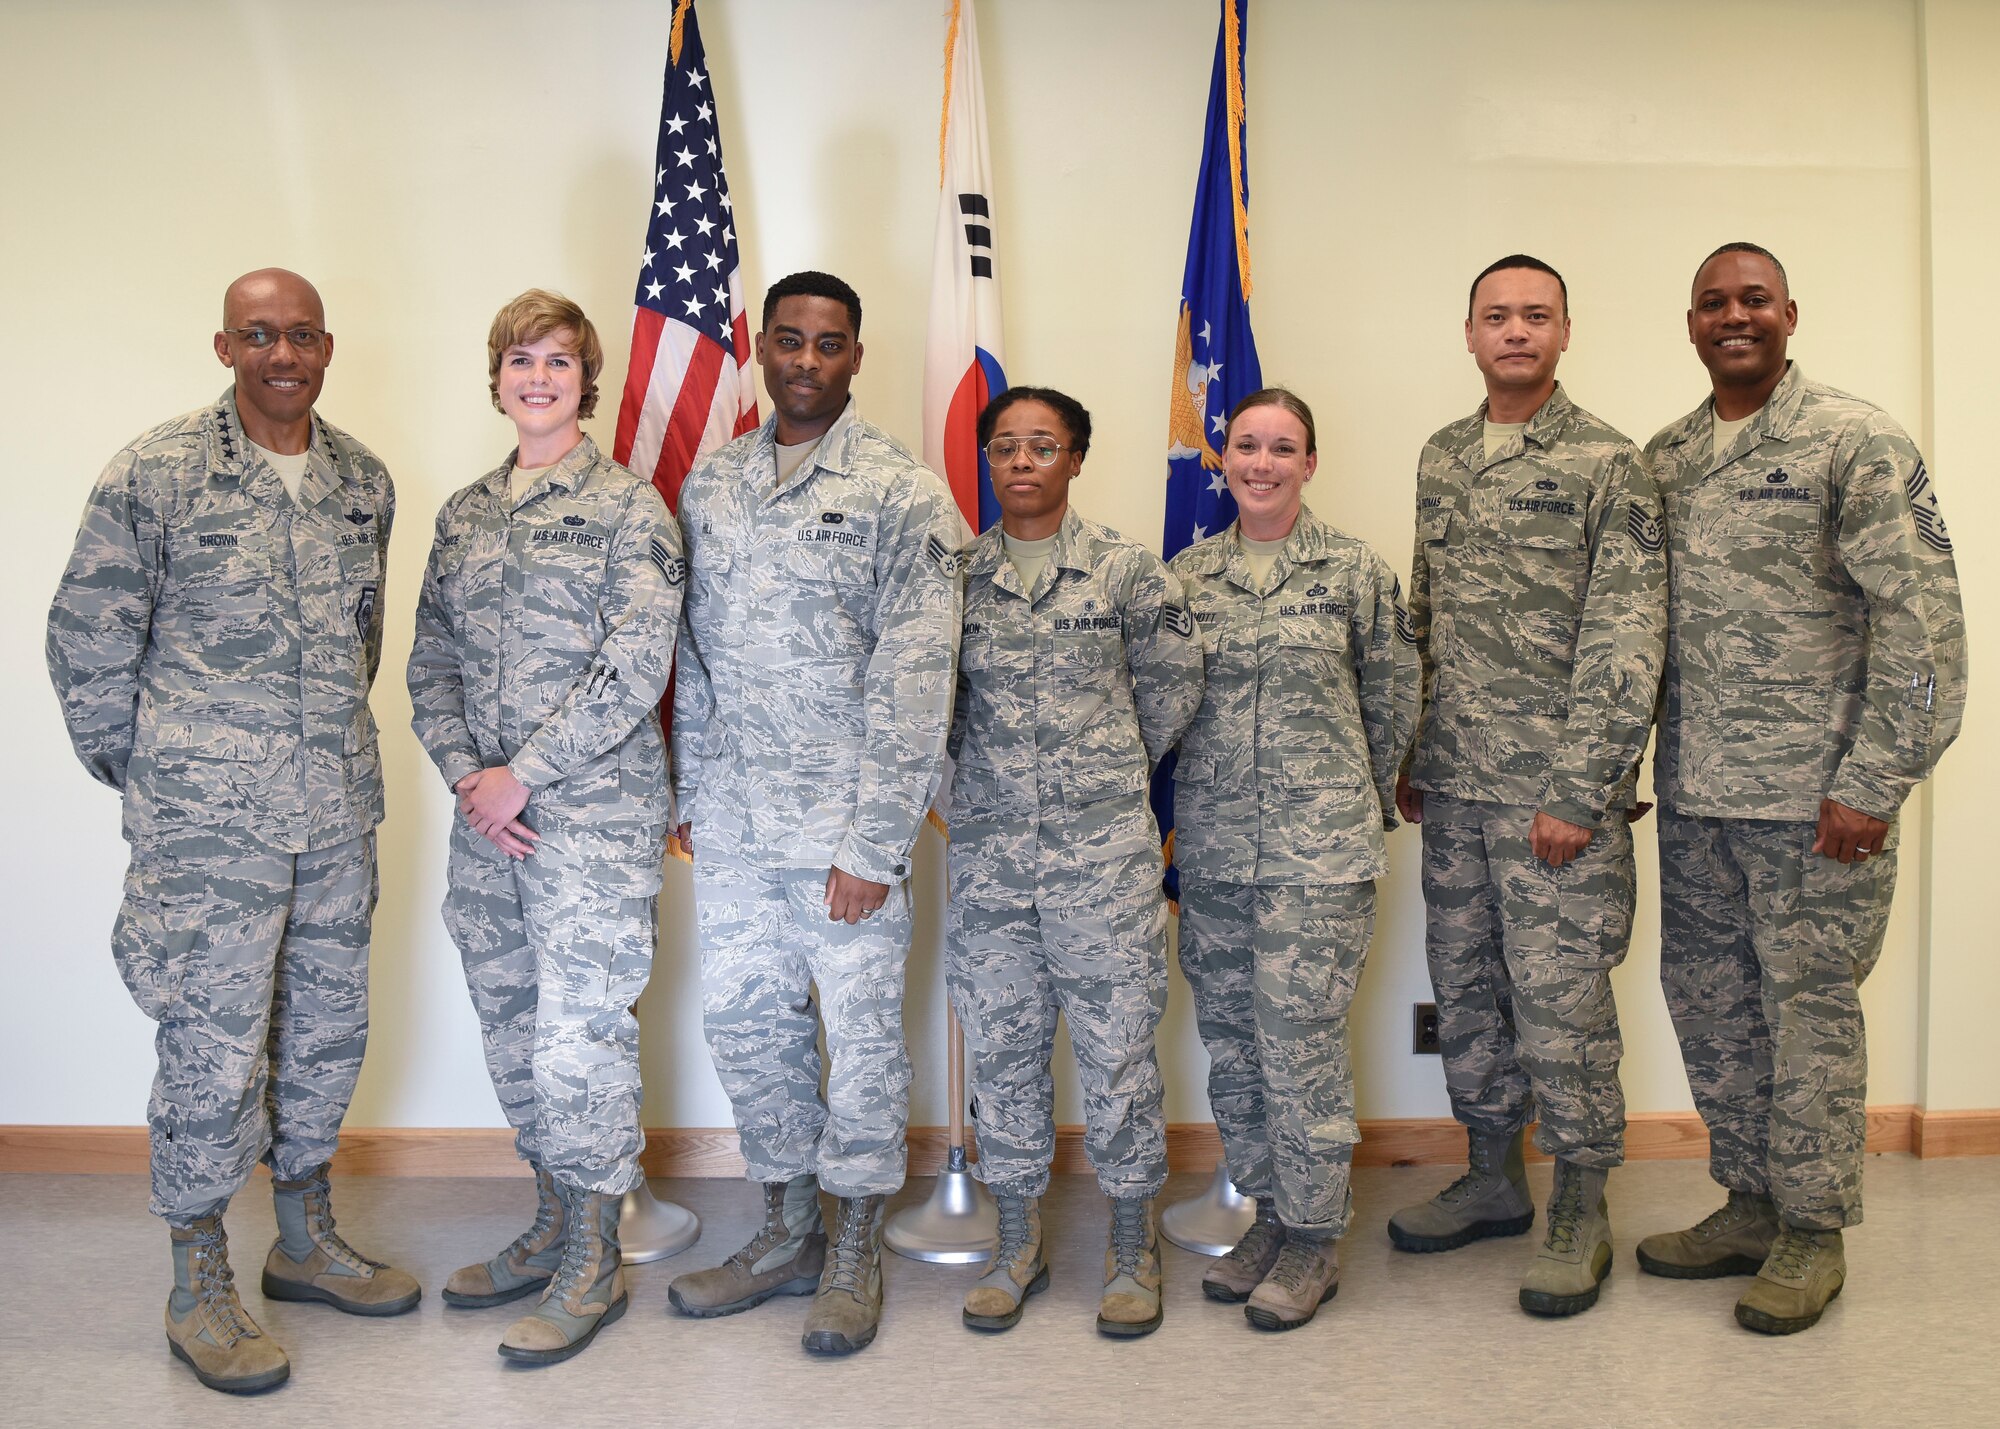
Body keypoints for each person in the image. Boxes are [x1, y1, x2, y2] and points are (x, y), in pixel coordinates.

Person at [46, 268, 415, 1395]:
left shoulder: (361, 481)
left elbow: (362, 642)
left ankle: (302, 1239)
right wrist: (170, 781)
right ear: (224, 346)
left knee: (323, 1031)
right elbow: (87, 646)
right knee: (210, 1047)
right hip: (208, 831)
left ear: (328, 345)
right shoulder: (155, 473)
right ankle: (197, 1278)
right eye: (259, 335)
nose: (282, 353)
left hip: (333, 814)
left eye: (301, 333)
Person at [1638, 242, 1966, 1335]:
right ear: (1689, 322)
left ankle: (1811, 1229)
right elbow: (1638, 636)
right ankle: (1748, 1199)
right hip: (1696, 797)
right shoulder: (1669, 456)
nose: (1732, 317)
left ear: (1787, 314)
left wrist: (1872, 781)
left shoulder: (1851, 438)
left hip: (1815, 806)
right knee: (1715, 1009)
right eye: (1711, 303)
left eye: (1752, 300)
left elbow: (1920, 625)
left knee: (1806, 1013)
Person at [666, 271, 963, 1356]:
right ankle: (787, 1224)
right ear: (763, 351)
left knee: (862, 1045)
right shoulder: (713, 482)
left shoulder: (902, 492)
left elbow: (916, 678)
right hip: (738, 827)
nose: (803, 361)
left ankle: (851, 1245)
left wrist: (875, 844)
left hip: (844, 832)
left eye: (826, 344)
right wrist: (692, 790)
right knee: (747, 1029)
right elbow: (692, 660)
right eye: (786, 341)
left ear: (854, 355)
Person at [1387, 255, 1667, 1318]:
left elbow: (1625, 636)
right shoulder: (1442, 455)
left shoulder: (1607, 462)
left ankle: (1581, 1201)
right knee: (1465, 991)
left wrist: (1582, 787)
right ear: (1467, 334)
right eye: (1495, 316)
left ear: (1563, 332)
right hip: (1454, 787)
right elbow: (1423, 610)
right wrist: (1412, 752)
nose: (1513, 331)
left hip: (1555, 799)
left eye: (1533, 316)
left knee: (1562, 1006)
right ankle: (1494, 1175)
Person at [407, 290, 682, 1364]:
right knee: (513, 1026)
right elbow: (429, 658)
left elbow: (634, 669)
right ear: (495, 376)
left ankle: (594, 1258)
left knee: (581, 1038)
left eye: (557, 362)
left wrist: (523, 774)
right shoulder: (465, 514)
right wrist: (468, 773)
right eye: (519, 359)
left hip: (590, 825)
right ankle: (554, 1217)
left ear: (587, 379)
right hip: (486, 824)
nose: (537, 378)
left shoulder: (628, 510)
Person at [946, 387, 1203, 1338]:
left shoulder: (1128, 571)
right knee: (1005, 1051)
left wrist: (1104, 776)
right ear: (986, 459)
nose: (1022, 461)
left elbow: (1174, 693)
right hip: (988, 860)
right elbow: (930, 704)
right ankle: (1017, 1239)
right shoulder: (956, 575)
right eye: (1005, 445)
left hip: (1104, 860)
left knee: (1119, 1052)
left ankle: (1132, 1242)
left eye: (1043, 445)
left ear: (1076, 459)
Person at [1169, 388, 1417, 1331]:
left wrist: (1342, 795)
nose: (1262, 463)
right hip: (1221, 852)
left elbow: (1393, 703)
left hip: (1321, 857)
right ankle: (1269, 1217)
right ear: (1220, 459)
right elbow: (1166, 709)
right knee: (1234, 1048)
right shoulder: (1185, 579)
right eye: (1245, 446)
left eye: (1283, 447)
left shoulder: (1353, 572)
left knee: (1300, 1046)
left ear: (1310, 463)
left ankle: (1315, 1238)